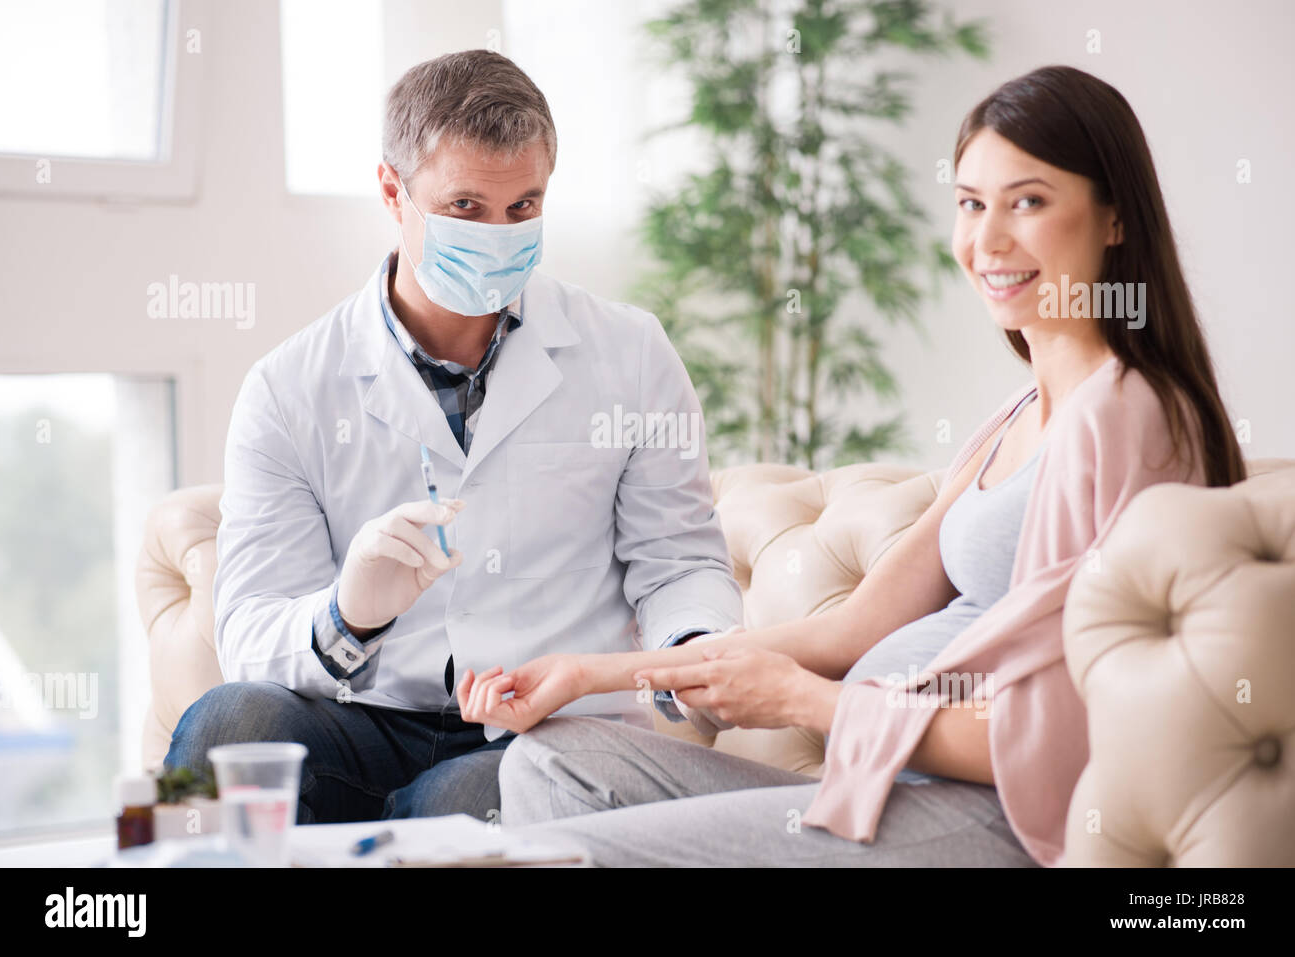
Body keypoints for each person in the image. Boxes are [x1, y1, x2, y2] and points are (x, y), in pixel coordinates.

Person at [458, 65, 1246, 866]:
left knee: (575, 844)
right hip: (885, 786)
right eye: (971, 203)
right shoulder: (1014, 417)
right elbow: (855, 626)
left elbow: (1064, 737)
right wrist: (591, 671)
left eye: (1029, 201)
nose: (989, 240)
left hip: (1002, 818)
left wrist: (808, 702)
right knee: (553, 763)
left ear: (1115, 218)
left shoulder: (1128, 416)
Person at [163, 50, 744, 825]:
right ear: (391, 192)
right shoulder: (288, 388)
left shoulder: (630, 354)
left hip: (542, 730)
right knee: (226, 725)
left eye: (523, 207)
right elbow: (251, 633)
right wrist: (347, 616)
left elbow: (677, 560)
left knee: (464, 804)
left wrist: (696, 648)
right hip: (362, 716)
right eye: (466, 206)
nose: (498, 236)